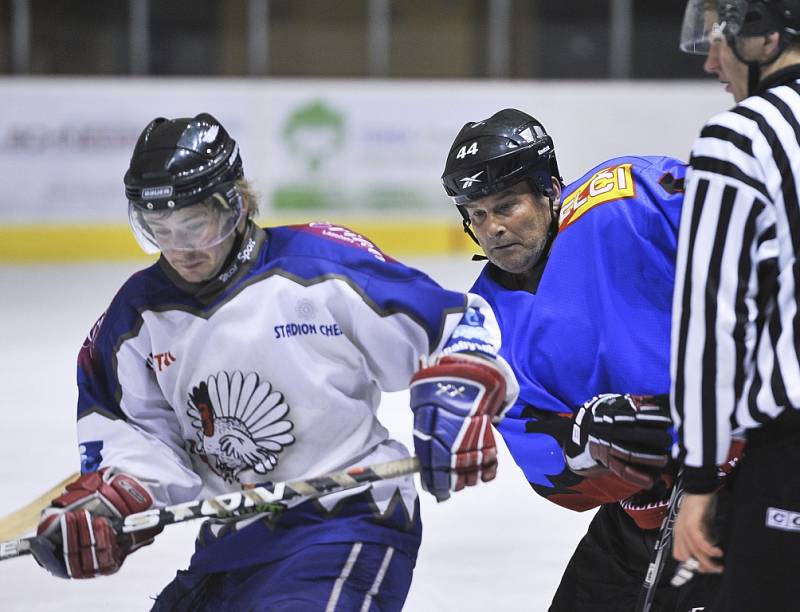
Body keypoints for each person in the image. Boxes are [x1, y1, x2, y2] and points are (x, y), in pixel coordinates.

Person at [29, 112, 519, 611]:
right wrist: (116, 499)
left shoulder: (320, 266)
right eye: (160, 229)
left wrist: (462, 391)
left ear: (236, 205)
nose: (179, 249)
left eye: (193, 225)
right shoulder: (135, 317)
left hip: (349, 516)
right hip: (232, 539)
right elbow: (140, 438)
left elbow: (455, 324)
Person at [440, 108, 725, 611]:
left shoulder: (627, 198)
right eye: (477, 215)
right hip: (650, 512)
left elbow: (751, 235)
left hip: (754, 469)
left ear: (550, 188)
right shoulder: (483, 328)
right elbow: (554, 475)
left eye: (507, 206)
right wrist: (588, 447)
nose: (493, 230)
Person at [672, 1, 800, 609]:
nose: (711, 62)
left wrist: (698, 479)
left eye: (720, 40)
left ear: (766, 38)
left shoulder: (740, 136)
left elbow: (712, 319)